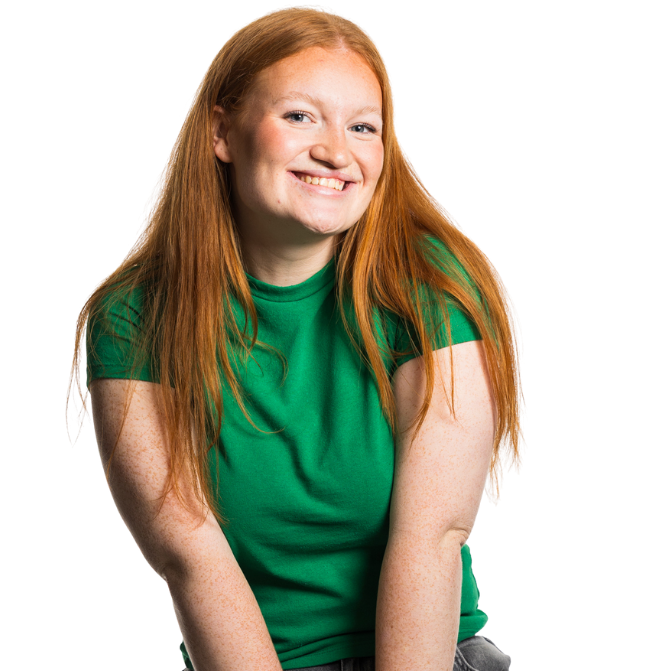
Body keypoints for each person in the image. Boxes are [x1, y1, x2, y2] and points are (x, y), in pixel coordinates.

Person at [65, 5, 527, 670]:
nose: (337, 152)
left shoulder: (428, 287)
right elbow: (191, 558)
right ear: (222, 132)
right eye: (301, 116)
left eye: (362, 126)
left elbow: (432, 536)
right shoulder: (132, 318)